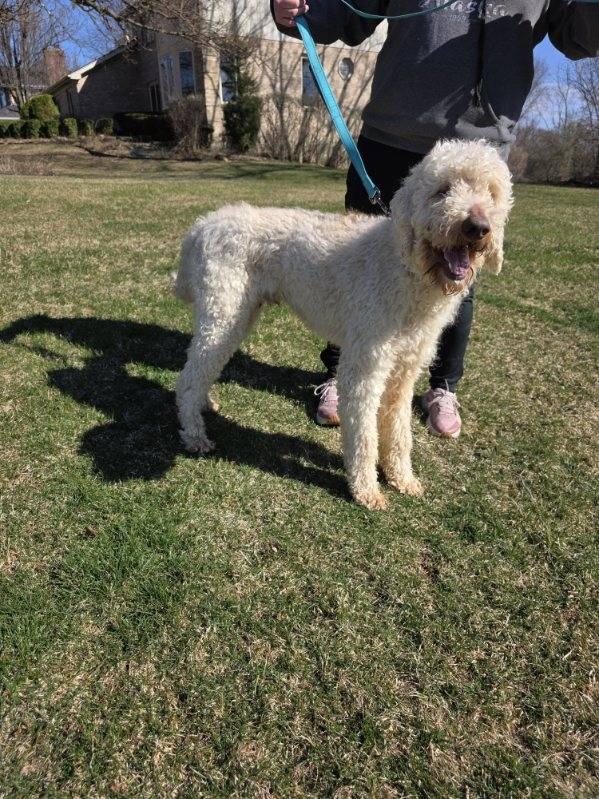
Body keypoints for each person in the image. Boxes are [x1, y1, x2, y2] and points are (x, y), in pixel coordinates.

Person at [272, 0, 598, 436]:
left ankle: (441, 386)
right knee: (356, 267)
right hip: (392, 138)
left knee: (460, 270)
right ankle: (341, 372)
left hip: (481, 147)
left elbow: (579, 36)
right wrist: (298, 12)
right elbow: (350, 13)